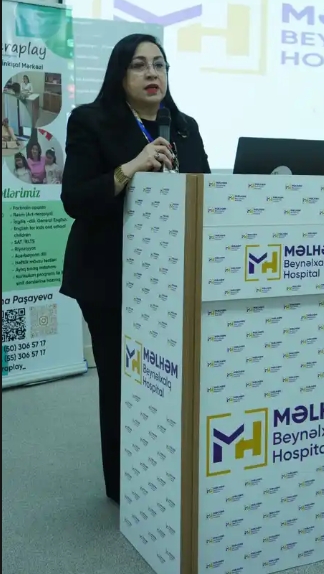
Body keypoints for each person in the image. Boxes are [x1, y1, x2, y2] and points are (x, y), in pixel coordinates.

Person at [60, 34, 210, 505]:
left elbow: (205, 191)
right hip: (107, 274)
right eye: (139, 65)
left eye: (159, 65)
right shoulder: (91, 121)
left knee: (168, 378)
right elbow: (75, 199)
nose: (152, 73)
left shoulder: (183, 127)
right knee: (121, 378)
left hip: (169, 275)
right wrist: (132, 167)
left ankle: (166, 467)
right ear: (119, 74)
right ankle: (122, 485)